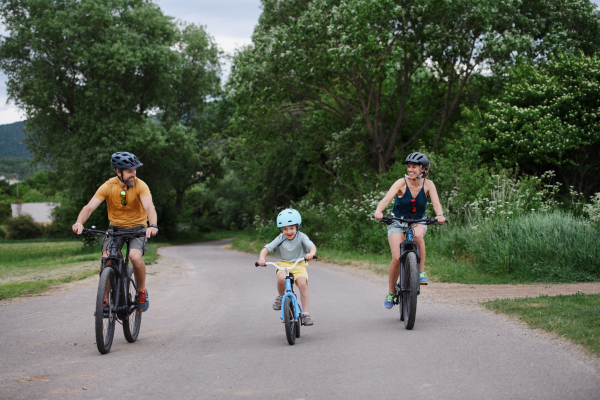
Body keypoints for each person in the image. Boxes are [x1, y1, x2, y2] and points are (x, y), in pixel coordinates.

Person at [72, 152, 159, 313]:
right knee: (106, 259)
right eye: (129, 171)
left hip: (138, 229)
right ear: (118, 172)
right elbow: (89, 207)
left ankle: (142, 291)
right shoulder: (108, 186)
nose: (134, 174)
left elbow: (149, 207)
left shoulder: (141, 185)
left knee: (134, 256)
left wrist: (152, 225)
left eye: (134, 170)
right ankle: (104, 301)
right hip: (115, 230)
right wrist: (79, 222)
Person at [373, 152, 446, 309]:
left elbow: (437, 204)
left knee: (418, 236)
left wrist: (440, 215)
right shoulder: (401, 183)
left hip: (417, 221)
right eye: (409, 167)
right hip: (397, 222)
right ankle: (391, 292)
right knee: (396, 258)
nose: (410, 170)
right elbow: (386, 199)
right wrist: (379, 211)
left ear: (423, 169)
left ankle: (420, 272)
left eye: (414, 167)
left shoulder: (428, 185)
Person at [257, 208, 317, 325]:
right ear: (281, 229)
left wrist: (311, 253)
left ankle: (305, 314)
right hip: (283, 263)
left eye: (291, 228)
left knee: (303, 284)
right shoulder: (280, 238)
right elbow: (266, 249)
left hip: (299, 263)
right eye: (285, 229)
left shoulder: (302, 236)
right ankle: (280, 297)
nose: (288, 231)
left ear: (297, 227)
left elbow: (312, 246)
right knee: (281, 278)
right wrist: (262, 258)